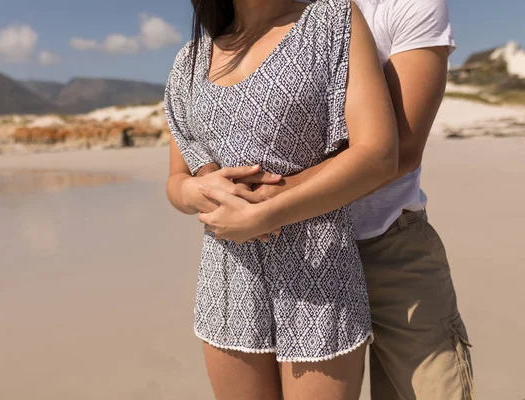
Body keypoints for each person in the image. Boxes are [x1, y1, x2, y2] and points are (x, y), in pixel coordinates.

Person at [194, 0, 475, 398]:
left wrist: (262, 203)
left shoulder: (407, 4)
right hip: (294, 249)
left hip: (387, 243)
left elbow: (402, 150)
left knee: (436, 390)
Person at [165, 0, 398, 398]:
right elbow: (177, 180)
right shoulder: (190, 58)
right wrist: (195, 191)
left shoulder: (331, 20)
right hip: (227, 279)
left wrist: (268, 213)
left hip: (319, 273)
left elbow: (378, 155)